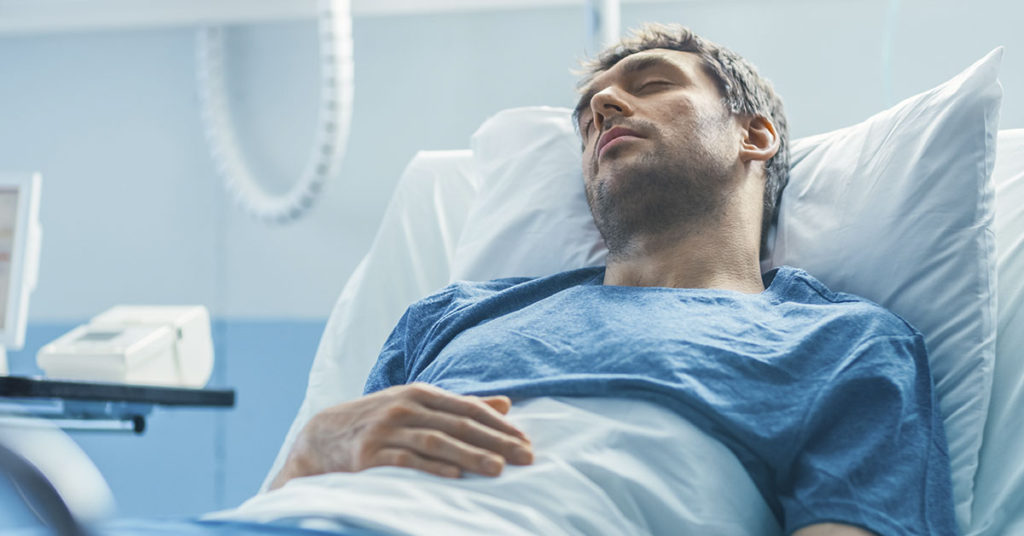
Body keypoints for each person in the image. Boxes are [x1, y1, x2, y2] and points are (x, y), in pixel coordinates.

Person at [262, 23, 956, 535]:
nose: (603, 109)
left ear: (755, 136)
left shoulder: (844, 345)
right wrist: (309, 452)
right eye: (588, 114)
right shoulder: (448, 318)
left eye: (651, 85)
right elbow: (300, 493)